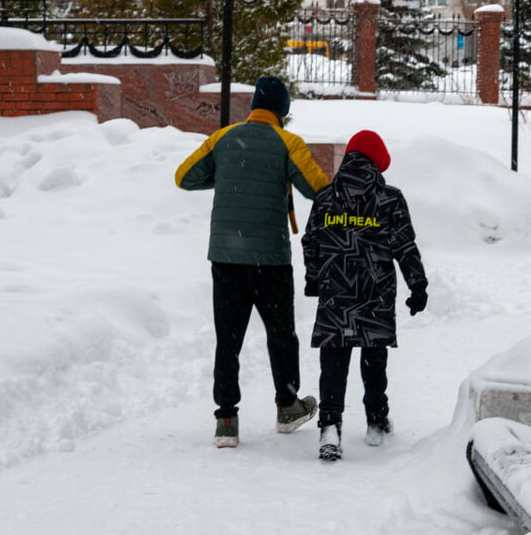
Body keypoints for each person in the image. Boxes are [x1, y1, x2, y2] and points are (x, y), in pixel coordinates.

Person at [175, 76, 330, 448]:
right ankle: (287, 406)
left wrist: (228, 176)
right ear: (283, 110)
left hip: (226, 257)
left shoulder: (224, 138)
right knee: (281, 335)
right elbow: (319, 189)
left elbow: (184, 177)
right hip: (271, 259)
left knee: (228, 340)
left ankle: (226, 419)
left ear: (253, 107)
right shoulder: (288, 143)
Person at [301, 130, 428, 461]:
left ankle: (330, 426)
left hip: (336, 293)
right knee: (374, 359)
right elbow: (405, 246)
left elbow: (310, 240)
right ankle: (376, 420)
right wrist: (418, 285)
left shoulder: (326, 197)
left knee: (334, 361)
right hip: (375, 293)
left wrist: (314, 277)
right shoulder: (390, 199)